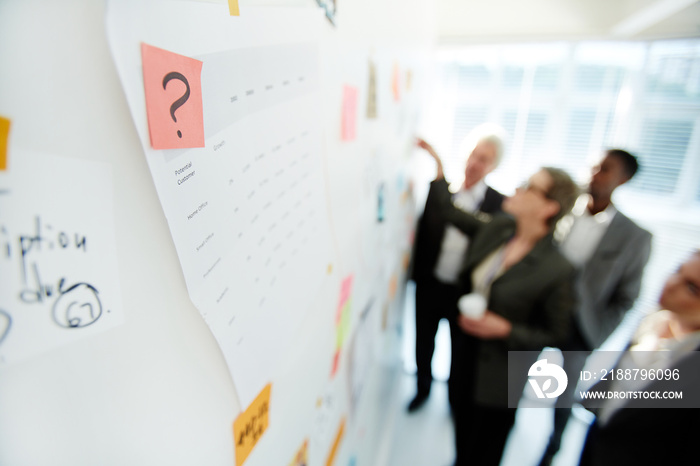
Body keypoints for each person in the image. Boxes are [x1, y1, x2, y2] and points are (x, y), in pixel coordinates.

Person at [416, 138, 578, 466]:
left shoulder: (557, 269)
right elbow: (451, 213)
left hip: (502, 376)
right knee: (461, 432)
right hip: (465, 353)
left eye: (530, 187)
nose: (518, 188)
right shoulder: (502, 229)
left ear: (549, 208)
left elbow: (556, 334)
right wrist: (438, 169)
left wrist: (505, 328)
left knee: (485, 448)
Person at [539, 149, 652, 466]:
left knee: (563, 395)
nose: (594, 174)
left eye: (604, 170)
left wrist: (598, 333)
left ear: (623, 179)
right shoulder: (561, 213)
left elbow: (626, 297)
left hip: (581, 326)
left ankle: (553, 447)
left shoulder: (634, 237)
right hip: (540, 313)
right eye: (593, 167)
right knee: (513, 375)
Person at [408, 125, 506, 412]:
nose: (475, 163)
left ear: (494, 166)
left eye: (484, 159)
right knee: (423, 343)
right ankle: (422, 390)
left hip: (462, 293)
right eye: (474, 155)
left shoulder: (498, 205)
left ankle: (454, 402)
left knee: (460, 352)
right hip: (431, 283)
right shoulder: (443, 192)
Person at [578, 249, 700, 465]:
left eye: (691, 288)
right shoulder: (652, 321)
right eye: (677, 271)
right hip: (598, 443)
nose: (671, 284)